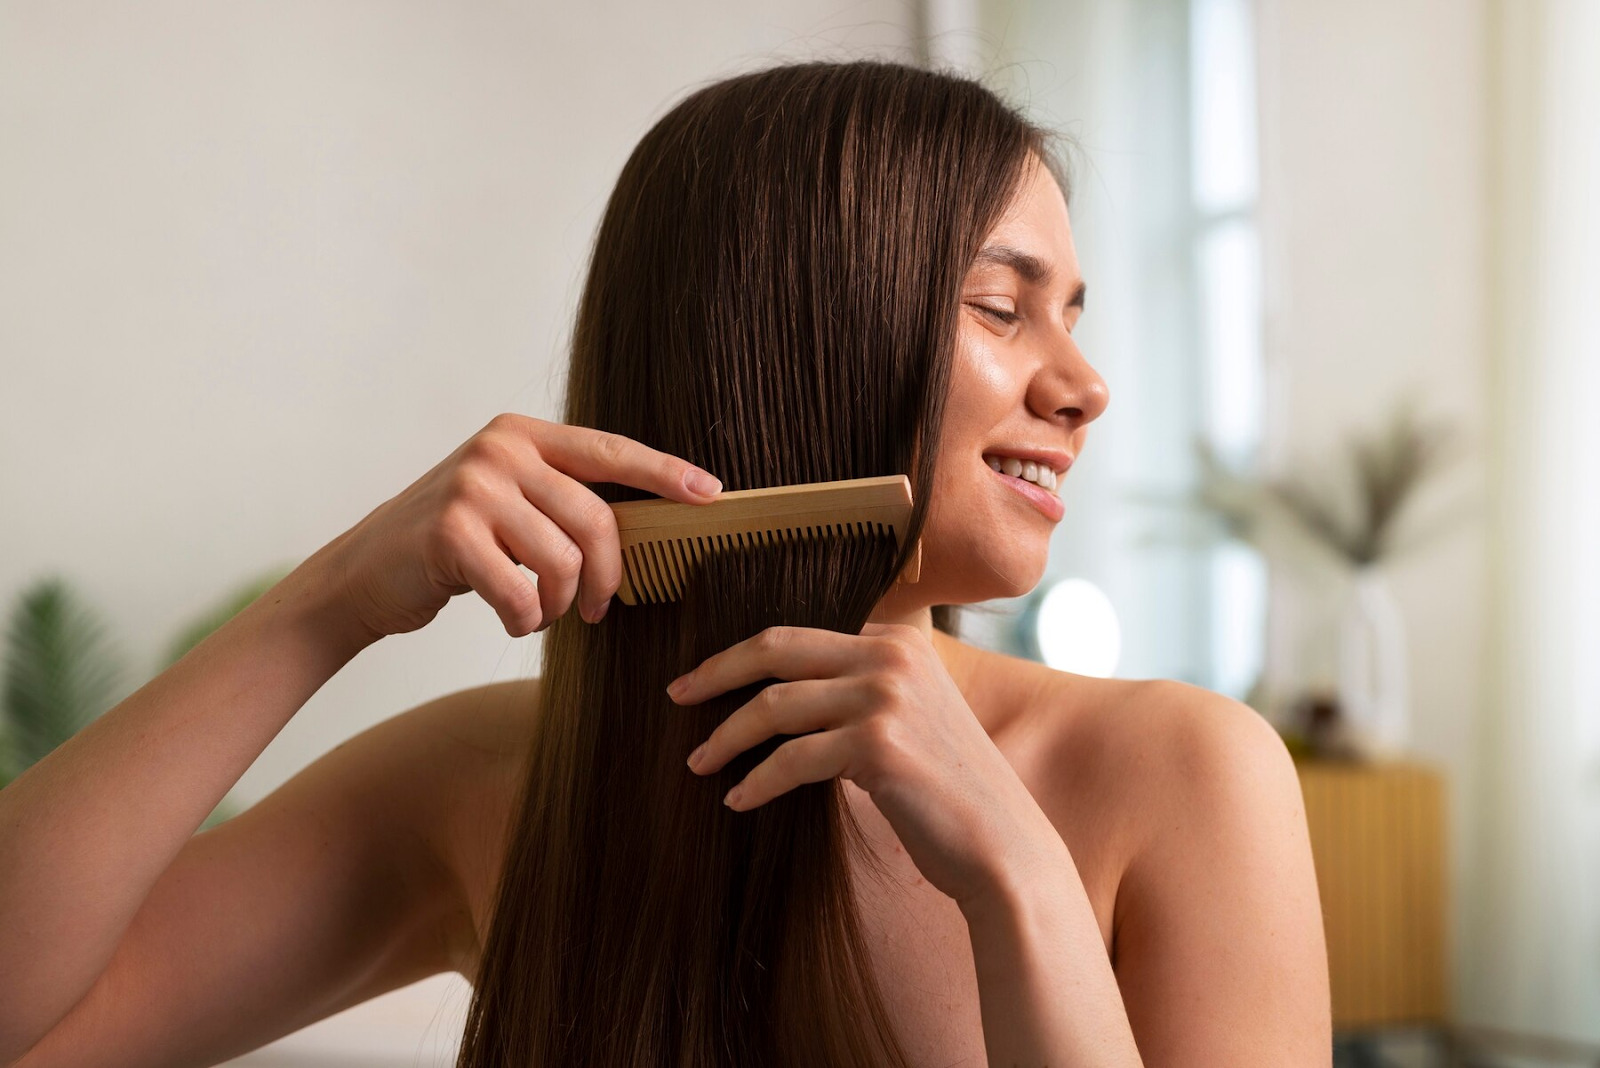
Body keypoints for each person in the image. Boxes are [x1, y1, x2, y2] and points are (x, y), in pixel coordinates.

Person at [0, 60, 1330, 1068]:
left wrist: (1017, 877)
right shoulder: (499, 785)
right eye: (1003, 306)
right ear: (804, 342)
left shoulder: (1184, 778)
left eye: (1074, 316)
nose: (1086, 385)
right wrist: (331, 600)